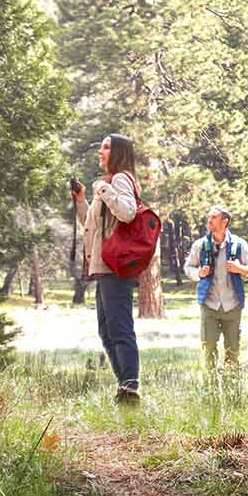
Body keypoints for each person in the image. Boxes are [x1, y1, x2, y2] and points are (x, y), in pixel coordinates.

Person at [71, 134, 143, 401]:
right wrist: (81, 201)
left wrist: (103, 188)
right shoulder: (110, 182)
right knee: (107, 329)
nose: (100, 151)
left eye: (106, 147)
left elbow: (127, 212)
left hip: (116, 267)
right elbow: (93, 226)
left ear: (119, 152)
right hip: (105, 266)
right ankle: (124, 387)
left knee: (119, 327)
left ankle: (130, 387)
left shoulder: (120, 179)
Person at [188, 206, 248, 370]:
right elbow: (188, 267)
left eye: (213, 217)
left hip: (232, 306)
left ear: (224, 221)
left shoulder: (240, 245)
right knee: (209, 347)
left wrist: (240, 269)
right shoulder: (200, 245)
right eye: (208, 217)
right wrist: (199, 273)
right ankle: (211, 386)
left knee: (233, 350)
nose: (209, 220)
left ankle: (230, 385)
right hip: (209, 306)